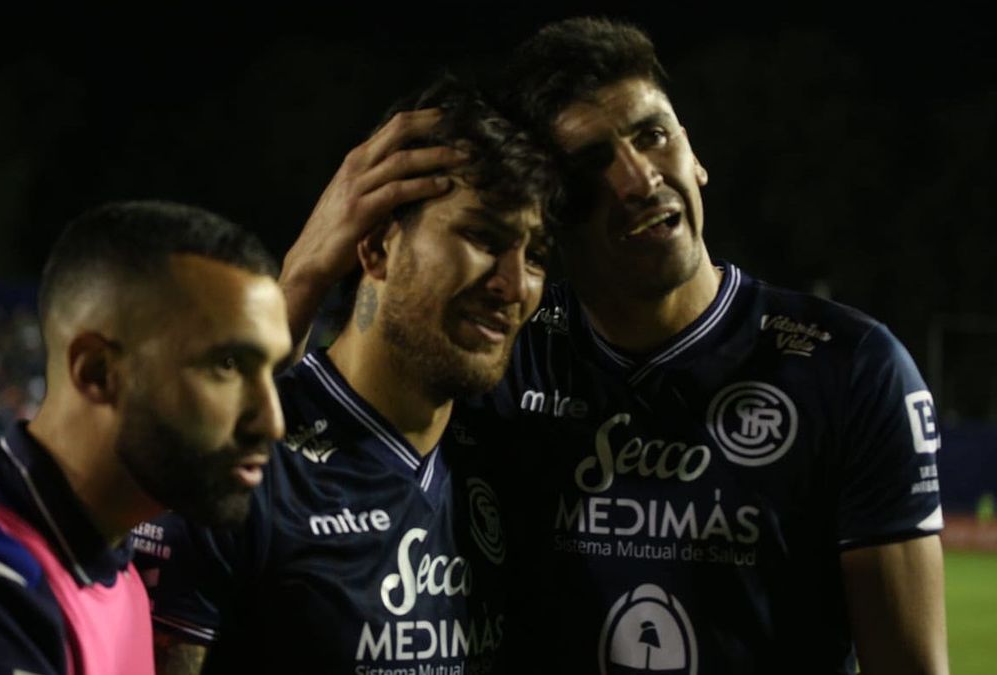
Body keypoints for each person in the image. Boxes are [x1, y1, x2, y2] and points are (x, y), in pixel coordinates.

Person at [281, 18, 949, 675]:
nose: (640, 179)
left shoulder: (850, 367)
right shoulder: (505, 348)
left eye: (653, 136)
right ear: (553, 207)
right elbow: (265, 453)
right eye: (592, 163)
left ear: (693, 153)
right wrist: (306, 272)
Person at [133, 77, 558, 674]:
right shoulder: (243, 463)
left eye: (535, 255)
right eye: (482, 237)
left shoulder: (511, 459)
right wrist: (300, 275)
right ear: (376, 249)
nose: (515, 286)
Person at [0, 201, 292, 674]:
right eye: (227, 366)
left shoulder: (112, 571)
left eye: (272, 370)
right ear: (98, 371)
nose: (272, 421)